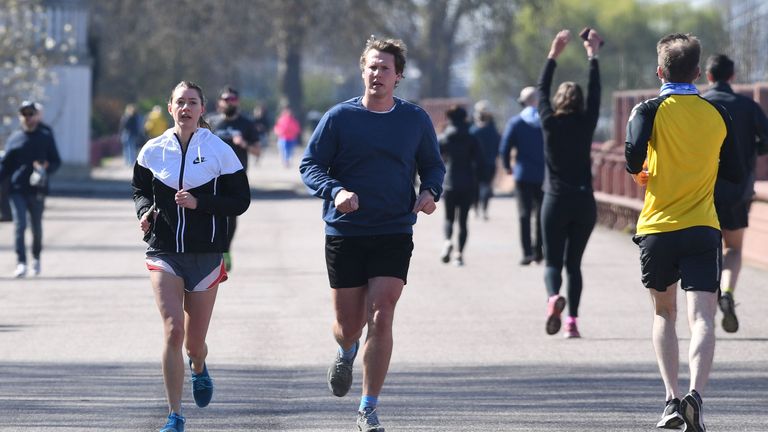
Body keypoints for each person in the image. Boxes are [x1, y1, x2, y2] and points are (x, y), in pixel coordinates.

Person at [299, 36, 445, 432]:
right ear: (362, 70)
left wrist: (430, 192)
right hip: (345, 230)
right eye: (371, 67)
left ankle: (368, 407)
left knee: (382, 313)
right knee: (349, 324)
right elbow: (310, 165)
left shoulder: (414, 120)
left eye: (385, 68)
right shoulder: (338, 118)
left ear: (398, 77)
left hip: (393, 229)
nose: (377, 74)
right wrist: (336, 191)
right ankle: (346, 350)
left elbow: (433, 166)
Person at [625, 34, 743, 431]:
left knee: (664, 313)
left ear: (659, 71)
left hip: (658, 227)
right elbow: (734, 171)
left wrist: (647, 171)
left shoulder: (649, 109)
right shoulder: (717, 115)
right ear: (697, 72)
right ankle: (696, 397)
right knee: (703, 318)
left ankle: (671, 400)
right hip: (703, 227)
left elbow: (631, 158)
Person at [132, 81, 250, 432]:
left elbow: (240, 201)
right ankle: (174, 415)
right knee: (173, 330)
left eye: (192, 102)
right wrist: (143, 211)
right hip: (164, 251)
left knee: (194, 343)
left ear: (202, 109)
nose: (186, 108)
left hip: (205, 254)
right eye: (180, 102)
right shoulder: (153, 150)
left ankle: (198, 366)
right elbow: (139, 188)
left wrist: (201, 203)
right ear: (170, 107)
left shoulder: (219, 151)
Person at [537, 29, 602, 339]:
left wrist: (553, 55)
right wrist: (593, 55)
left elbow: (541, 90)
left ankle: (553, 299)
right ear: (580, 104)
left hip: (555, 200)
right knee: (573, 265)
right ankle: (572, 323)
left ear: (558, 102)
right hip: (583, 201)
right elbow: (596, 93)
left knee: (552, 261)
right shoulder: (587, 123)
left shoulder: (549, 123)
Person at [702, 54, 768, 333]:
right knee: (735, 248)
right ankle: (727, 291)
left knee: (707, 248)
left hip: (702, 190)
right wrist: (751, 153)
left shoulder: (699, 105)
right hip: (738, 189)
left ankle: (706, 305)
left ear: (707, 76)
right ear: (732, 76)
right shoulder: (747, 106)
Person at [0, 101, 61, 278]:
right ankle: (21, 262)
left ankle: (36, 258)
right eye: (24, 114)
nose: (28, 118)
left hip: (37, 189)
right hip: (17, 189)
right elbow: (6, 166)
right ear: (21, 117)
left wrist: (45, 169)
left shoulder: (45, 136)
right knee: (20, 226)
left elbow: (56, 161)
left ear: (36, 116)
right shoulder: (15, 138)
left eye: (31, 114)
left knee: (36, 227)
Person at [207, 86, 260, 271]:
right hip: (212, 176)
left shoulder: (246, 124)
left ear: (237, 102)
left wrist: (243, 143)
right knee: (210, 211)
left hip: (236, 178)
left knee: (231, 215)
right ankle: (213, 250)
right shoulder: (211, 122)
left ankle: (226, 250)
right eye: (226, 99)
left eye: (233, 99)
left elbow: (257, 150)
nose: (229, 102)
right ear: (219, 102)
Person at [500, 86, 546, 265]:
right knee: (542, 214)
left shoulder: (516, 122)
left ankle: (527, 252)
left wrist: (507, 166)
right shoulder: (546, 121)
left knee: (524, 214)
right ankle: (539, 251)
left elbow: (505, 148)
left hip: (523, 174)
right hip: (544, 175)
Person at [439, 105, 484, 266]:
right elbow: (480, 161)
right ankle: (459, 254)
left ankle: (447, 241)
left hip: (450, 181)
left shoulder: (445, 137)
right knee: (463, 221)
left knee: (449, 218)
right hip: (467, 182)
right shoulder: (472, 137)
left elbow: (434, 157)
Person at [470, 100, 500, 221]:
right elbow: (498, 145)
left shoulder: (473, 130)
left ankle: (476, 209)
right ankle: (484, 210)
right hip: (490, 162)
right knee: (486, 187)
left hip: (475, 164)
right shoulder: (493, 130)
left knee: (475, 187)